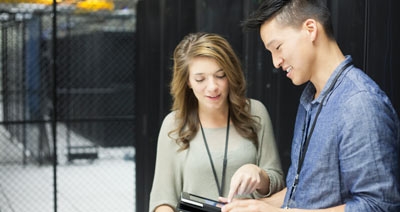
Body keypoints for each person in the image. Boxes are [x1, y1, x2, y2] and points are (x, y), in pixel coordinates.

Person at [220, 0, 400, 211]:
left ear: (310, 29)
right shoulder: (310, 99)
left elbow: (378, 206)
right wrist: (256, 205)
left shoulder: (360, 103)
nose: (275, 62)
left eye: (277, 47)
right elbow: (303, 193)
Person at [149, 32, 285, 212]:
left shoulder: (255, 112)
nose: (212, 87)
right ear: (188, 82)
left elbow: (278, 185)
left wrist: (258, 174)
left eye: (220, 75)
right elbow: (162, 199)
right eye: (200, 79)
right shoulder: (174, 124)